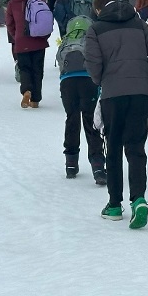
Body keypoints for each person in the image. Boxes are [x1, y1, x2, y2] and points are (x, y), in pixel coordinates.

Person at [85, 0, 148, 228]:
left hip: (112, 95)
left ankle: (114, 205)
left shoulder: (96, 29)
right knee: (136, 148)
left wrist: (103, 80)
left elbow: (93, 63)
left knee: (114, 147)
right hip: (140, 93)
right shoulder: (140, 24)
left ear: (98, 9)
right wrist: (142, 74)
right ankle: (138, 199)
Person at [55, 12, 106, 181]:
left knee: (72, 119)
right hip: (88, 81)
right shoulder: (91, 40)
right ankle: (98, 166)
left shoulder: (66, 41)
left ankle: (71, 163)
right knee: (91, 121)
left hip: (68, 83)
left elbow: (60, 63)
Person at [5, 0, 51, 109]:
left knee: (24, 68)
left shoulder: (12, 2)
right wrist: (45, 36)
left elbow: (9, 23)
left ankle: (26, 91)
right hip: (38, 40)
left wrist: (16, 36)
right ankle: (35, 100)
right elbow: (45, 19)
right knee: (38, 70)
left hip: (21, 41)